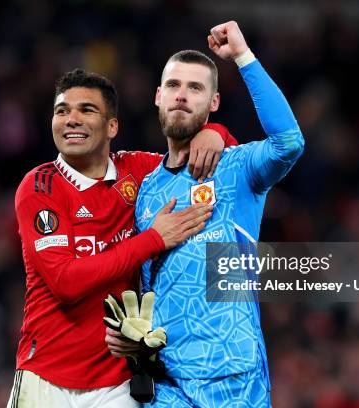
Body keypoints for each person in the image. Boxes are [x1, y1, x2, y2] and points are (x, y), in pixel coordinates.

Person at [8, 67, 238, 407]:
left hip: (118, 382)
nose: (71, 119)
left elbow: (224, 160)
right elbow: (65, 282)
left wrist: (216, 133)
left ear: (112, 126)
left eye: (86, 110)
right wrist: (153, 239)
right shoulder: (39, 187)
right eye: (62, 111)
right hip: (47, 376)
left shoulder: (139, 173)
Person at [109, 21, 305, 407]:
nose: (182, 96)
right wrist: (127, 334)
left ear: (213, 102)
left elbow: (288, 142)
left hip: (234, 375)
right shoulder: (144, 187)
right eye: (174, 86)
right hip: (166, 381)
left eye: (196, 88)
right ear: (158, 96)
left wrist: (243, 58)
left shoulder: (237, 168)